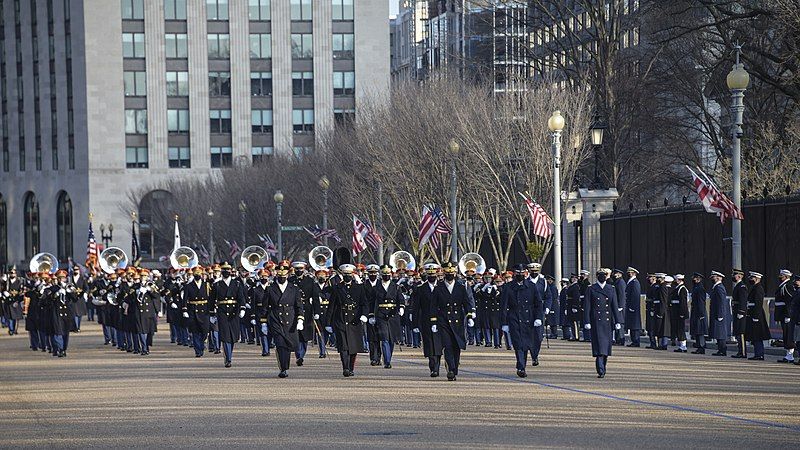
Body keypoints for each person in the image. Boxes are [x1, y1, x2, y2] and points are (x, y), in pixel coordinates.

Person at [431, 262, 476, 381]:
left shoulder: (461, 287)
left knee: (457, 346)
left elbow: (467, 302)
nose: (450, 275)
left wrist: (470, 315)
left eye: (452, 273)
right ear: (444, 273)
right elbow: (433, 306)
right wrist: (434, 321)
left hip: (458, 320)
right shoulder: (438, 287)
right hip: (443, 320)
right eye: (448, 273)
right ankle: (450, 369)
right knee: (448, 345)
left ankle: (454, 367)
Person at [325, 264, 368, 377]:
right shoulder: (337, 288)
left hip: (355, 319)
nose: (347, 276)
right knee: (343, 346)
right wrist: (328, 323)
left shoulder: (359, 288)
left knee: (353, 347)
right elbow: (331, 306)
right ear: (342, 275)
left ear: (352, 275)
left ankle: (351, 367)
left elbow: (364, 304)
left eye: (349, 274)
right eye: (345, 275)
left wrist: (364, 315)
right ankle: (345, 368)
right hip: (341, 319)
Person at [500, 264, 543, 378]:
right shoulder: (508, 287)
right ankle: (521, 367)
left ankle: (527, 360)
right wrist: (504, 323)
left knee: (527, 344)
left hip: (529, 318)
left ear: (525, 273)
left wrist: (539, 317)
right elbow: (503, 306)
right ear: (514, 274)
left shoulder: (532, 286)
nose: (520, 275)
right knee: (518, 344)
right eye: (518, 273)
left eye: (522, 273)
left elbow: (538, 303)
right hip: (514, 318)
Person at [263, 264, 303, 378]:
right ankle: (283, 368)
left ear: (287, 276)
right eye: (280, 276)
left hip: (290, 319)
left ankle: (287, 365)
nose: (282, 278)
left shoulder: (294, 288)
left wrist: (300, 319)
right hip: (276, 318)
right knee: (280, 344)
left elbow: (299, 306)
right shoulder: (270, 288)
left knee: (289, 345)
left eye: (284, 276)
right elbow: (265, 307)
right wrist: (264, 322)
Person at [583, 269, 622, 378]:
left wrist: (618, 321)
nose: (602, 277)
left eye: (604, 275)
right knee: (599, 347)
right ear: (597, 277)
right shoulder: (591, 289)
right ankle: (600, 369)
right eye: (600, 275)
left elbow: (614, 305)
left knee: (605, 347)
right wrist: (586, 321)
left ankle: (603, 365)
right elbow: (587, 306)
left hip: (607, 321)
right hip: (596, 320)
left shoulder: (611, 289)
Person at [210, 262, 247, 368]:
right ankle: (228, 358)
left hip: (234, 312)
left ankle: (229, 354)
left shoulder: (237, 284)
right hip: (222, 312)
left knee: (233, 336)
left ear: (231, 271)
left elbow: (241, 298)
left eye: (228, 270)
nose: (226, 272)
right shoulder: (217, 285)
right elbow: (212, 300)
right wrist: (212, 314)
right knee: (225, 336)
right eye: (224, 270)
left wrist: (242, 308)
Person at [411, 264, 444, 377]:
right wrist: (414, 323)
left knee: (439, 344)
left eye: (433, 274)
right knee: (429, 344)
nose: (431, 276)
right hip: (425, 320)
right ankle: (433, 367)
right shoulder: (420, 289)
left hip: (440, 320)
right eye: (429, 274)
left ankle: (437, 365)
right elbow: (416, 307)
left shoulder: (442, 287)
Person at [182, 266, 211, 357]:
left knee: (204, 332)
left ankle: (202, 345)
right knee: (195, 332)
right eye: (196, 274)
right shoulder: (188, 286)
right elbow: (185, 299)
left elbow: (210, 298)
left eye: (199, 274)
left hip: (204, 310)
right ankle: (198, 350)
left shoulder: (206, 285)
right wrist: (184, 309)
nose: (197, 275)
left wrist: (212, 309)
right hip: (193, 310)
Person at [745, 272, 770, 360]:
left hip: (757, 315)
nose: (750, 279)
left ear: (757, 278)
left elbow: (758, 304)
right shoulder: (755, 288)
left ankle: (759, 354)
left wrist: (756, 316)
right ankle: (758, 353)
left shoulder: (758, 288)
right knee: (754, 335)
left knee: (757, 335)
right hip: (753, 314)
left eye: (752, 278)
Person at [708, 271, 730, 356]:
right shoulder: (716, 287)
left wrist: (720, 314)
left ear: (718, 278)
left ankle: (722, 350)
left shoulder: (719, 288)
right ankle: (720, 349)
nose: (712, 278)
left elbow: (721, 302)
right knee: (717, 332)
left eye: (713, 277)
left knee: (720, 333)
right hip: (716, 313)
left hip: (719, 314)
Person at [775, 269, 795, 363]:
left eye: (781, 276)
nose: (780, 277)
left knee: (788, 334)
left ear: (786, 277)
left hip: (786, 314)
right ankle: (788, 355)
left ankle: (790, 356)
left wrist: (788, 315)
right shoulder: (783, 285)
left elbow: (789, 302)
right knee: (785, 334)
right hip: (782, 313)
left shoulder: (787, 286)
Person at [730, 269, 749, 358]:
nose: (733, 277)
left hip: (740, 312)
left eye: (735, 275)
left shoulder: (742, 286)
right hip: (736, 310)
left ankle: (743, 352)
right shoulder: (738, 286)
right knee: (737, 331)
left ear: (740, 276)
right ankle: (740, 351)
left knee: (741, 332)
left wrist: (741, 311)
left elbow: (743, 300)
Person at [669, 274, 689, 352]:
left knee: (681, 329)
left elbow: (683, 303)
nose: (675, 281)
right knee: (678, 329)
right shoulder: (678, 288)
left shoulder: (682, 289)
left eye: (676, 280)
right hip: (676, 312)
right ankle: (681, 345)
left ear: (680, 280)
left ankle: (683, 346)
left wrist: (682, 313)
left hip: (680, 313)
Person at [1, 267, 24, 335]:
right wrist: (4, 293)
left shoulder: (19, 282)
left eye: (13, 273)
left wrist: (18, 300)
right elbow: (2, 290)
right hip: (9, 301)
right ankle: (11, 330)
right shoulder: (6, 282)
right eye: (11, 273)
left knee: (15, 317)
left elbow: (21, 292)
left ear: (16, 274)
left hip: (16, 301)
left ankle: (14, 329)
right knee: (9, 316)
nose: (12, 274)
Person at [689, 273, 708, 354]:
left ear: (698, 279)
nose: (693, 280)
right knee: (697, 330)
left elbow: (701, 302)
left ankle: (701, 347)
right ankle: (698, 346)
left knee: (700, 331)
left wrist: (701, 314)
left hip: (699, 313)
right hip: (696, 311)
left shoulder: (700, 289)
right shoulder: (696, 288)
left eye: (695, 278)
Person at [625, 267, 642, 347]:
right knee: (631, 324)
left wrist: (632, 307)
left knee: (634, 324)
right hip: (629, 306)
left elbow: (635, 296)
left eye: (630, 272)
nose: (629, 274)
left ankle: (636, 341)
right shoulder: (631, 281)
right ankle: (633, 340)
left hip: (633, 308)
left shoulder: (635, 282)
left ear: (634, 273)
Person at [612, 269, 626, 345]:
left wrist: (620, 306)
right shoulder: (617, 282)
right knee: (617, 322)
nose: (614, 275)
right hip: (617, 305)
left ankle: (621, 339)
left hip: (619, 306)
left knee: (620, 322)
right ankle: (618, 339)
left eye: (616, 273)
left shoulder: (620, 282)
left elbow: (621, 295)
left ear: (620, 274)